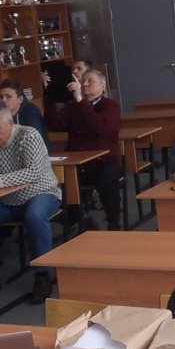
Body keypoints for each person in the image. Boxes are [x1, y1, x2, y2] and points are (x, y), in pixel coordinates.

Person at [0, 101, 62, 303]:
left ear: (9, 123)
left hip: (42, 192)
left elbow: (33, 172)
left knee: (34, 217)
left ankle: (43, 275)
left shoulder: (28, 135)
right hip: (7, 199)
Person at [45, 69, 123, 231]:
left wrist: (81, 100)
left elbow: (99, 128)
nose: (85, 84)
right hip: (78, 163)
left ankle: (113, 224)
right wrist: (50, 95)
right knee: (59, 183)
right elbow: (55, 124)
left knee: (107, 182)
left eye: (90, 81)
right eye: (83, 81)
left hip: (104, 161)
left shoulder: (110, 106)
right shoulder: (73, 107)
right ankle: (82, 220)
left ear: (102, 86)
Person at [0, 79, 51, 151]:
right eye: (1, 97)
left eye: (8, 97)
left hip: (37, 153)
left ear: (20, 99)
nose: (3, 100)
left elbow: (33, 140)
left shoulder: (31, 111)